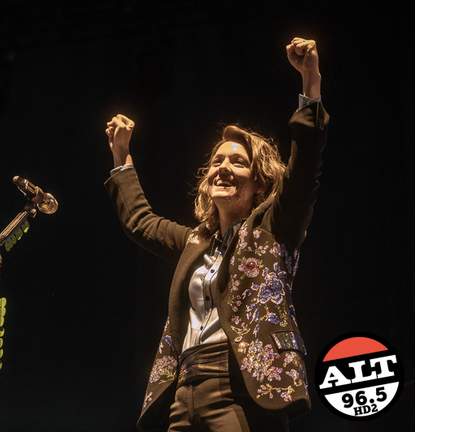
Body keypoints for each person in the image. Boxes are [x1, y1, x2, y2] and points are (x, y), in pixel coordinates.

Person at [103, 38, 329, 432]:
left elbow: (305, 165)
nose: (223, 167)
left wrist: (310, 81)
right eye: (217, 160)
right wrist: (122, 157)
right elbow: (140, 221)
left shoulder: (274, 227)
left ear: (258, 182)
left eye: (238, 162)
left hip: (244, 387)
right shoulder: (196, 241)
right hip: (184, 390)